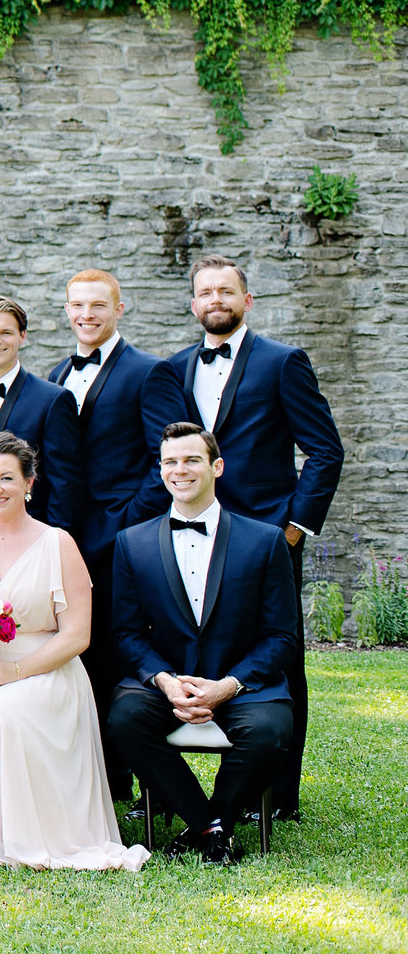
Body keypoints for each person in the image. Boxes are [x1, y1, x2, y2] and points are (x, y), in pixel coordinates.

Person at [139, 256, 340, 822]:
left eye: (226, 292)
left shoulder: (282, 363)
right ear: (194, 303)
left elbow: (325, 450)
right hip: (187, 532)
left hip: (265, 541)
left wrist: (293, 530)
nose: (216, 301)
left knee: (278, 660)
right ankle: (172, 795)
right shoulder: (173, 369)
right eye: (205, 293)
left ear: (246, 300)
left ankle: (278, 799)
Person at [0, 432, 146, 870]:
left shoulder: (58, 543)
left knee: (8, 713)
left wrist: (17, 672)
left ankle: (25, 832)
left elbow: (77, 635)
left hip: (42, 666)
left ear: (30, 482)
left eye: (7, 478)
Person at [104, 422, 301, 864]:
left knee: (268, 733)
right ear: (160, 471)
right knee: (124, 719)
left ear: (217, 466)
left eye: (192, 460)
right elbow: (127, 634)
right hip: (167, 681)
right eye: (170, 462)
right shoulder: (131, 543)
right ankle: (211, 826)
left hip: (243, 681)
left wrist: (229, 685)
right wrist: (167, 682)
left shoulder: (265, 540)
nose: (181, 470)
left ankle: (211, 823)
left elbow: (282, 636)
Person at [46, 268, 164, 794]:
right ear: (67, 311)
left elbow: (167, 460)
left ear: (120, 308)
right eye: (77, 305)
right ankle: (78, 772)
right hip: (63, 536)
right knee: (69, 654)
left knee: (115, 655)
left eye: (97, 305)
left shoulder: (148, 372)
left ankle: (121, 780)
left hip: (120, 540)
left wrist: (126, 526)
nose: (86, 315)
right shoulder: (52, 373)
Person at [0, 295, 80, 530]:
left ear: (22, 335)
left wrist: (53, 541)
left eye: (6, 332)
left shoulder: (52, 400)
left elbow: (65, 484)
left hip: (30, 533)